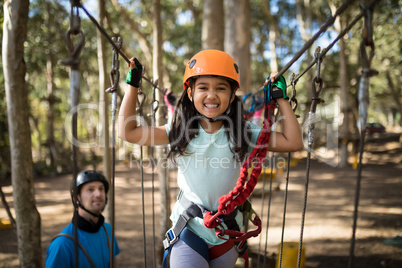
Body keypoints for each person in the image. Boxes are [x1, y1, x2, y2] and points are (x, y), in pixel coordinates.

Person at [118, 49, 303, 268]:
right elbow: (127, 132)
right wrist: (132, 86)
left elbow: (293, 142)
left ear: (232, 95)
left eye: (221, 88)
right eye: (203, 88)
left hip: (226, 232)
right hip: (190, 229)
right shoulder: (179, 130)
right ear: (190, 93)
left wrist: (280, 99)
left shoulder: (243, 132)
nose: (212, 95)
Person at [46, 170, 120, 268]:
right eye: (91, 189)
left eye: (101, 189)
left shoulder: (107, 230)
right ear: (76, 199)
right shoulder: (62, 244)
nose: (98, 194)